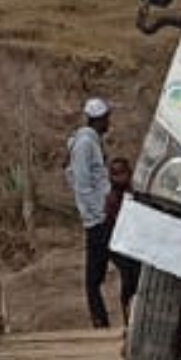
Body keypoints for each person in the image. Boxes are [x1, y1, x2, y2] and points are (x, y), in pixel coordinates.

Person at [67, 98, 115, 328]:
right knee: (94, 276)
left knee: (112, 268)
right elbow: (83, 184)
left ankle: (103, 319)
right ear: (99, 119)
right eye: (107, 118)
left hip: (104, 215)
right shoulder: (84, 144)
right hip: (99, 219)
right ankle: (99, 320)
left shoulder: (92, 142)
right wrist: (98, 214)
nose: (109, 122)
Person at [105, 157, 142, 323]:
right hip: (121, 246)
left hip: (137, 245)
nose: (120, 177)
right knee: (128, 279)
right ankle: (127, 315)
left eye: (123, 173)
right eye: (116, 174)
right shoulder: (112, 199)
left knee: (139, 281)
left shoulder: (136, 194)